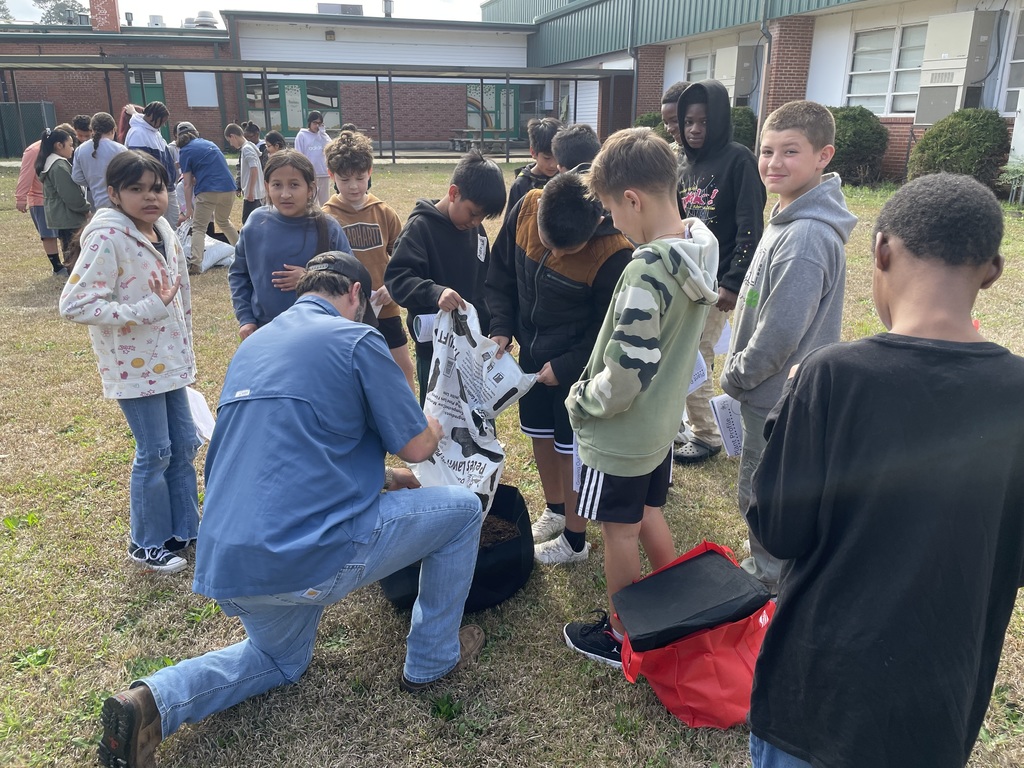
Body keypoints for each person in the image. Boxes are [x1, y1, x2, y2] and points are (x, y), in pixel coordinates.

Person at [97, 251, 486, 768]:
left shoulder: (253, 345)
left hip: (228, 566)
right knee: (461, 511)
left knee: (279, 660)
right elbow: (417, 445)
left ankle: (152, 702)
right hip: (309, 557)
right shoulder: (357, 339)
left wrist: (387, 480)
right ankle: (433, 660)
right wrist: (436, 418)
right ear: (354, 293)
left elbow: (295, 450)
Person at [746, 172, 1024, 768]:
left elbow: (778, 531)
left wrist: (789, 420)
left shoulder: (832, 376)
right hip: (937, 708)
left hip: (814, 697)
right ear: (993, 270)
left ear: (881, 251)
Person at [562, 127, 719, 667]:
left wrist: (583, 399)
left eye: (612, 211)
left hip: (623, 434)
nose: (613, 223)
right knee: (648, 510)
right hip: (660, 428)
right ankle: (672, 604)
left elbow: (627, 372)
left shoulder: (645, 270)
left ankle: (622, 633)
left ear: (632, 199)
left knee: (618, 533)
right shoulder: (701, 246)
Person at [720, 100, 856, 592]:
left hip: (774, 395)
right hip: (769, 392)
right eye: (767, 151)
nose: (773, 163)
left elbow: (779, 335)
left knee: (764, 493)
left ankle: (768, 583)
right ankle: (770, 568)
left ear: (824, 156)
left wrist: (736, 375)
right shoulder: (786, 217)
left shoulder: (804, 237)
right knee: (767, 488)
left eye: (790, 152)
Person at [487, 126, 632, 566]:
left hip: (573, 368)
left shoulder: (615, 253)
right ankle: (554, 511)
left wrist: (567, 365)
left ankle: (575, 537)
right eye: (544, 243)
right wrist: (501, 326)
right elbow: (500, 274)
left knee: (572, 449)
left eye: (562, 249)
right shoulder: (527, 205)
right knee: (540, 436)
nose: (549, 250)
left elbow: (608, 330)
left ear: (593, 228)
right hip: (530, 358)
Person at [59, 150, 199, 574]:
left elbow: (180, 298)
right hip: (134, 369)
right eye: (135, 189)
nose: (149, 197)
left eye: (156, 188)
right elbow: (74, 303)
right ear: (115, 195)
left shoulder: (165, 232)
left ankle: (185, 529)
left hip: (171, 361)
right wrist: (144, 309)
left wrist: (185, 348)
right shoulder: (107, 238)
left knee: (185, 446)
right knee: (155, 451)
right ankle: (146, 542)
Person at [673, 80, 766, 465]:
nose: (695, 129)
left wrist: (731, 282)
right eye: (689, 121)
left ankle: (708, 434)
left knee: (696, 353)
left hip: (716, 282)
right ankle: (689, 421)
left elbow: (750, 226)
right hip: (686, 276)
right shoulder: (681, 163)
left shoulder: (738, 160)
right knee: (683, 352)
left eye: (705, 121)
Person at [384, 151, 506, 404]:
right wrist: (435, 292)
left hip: (471, 348)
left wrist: (494, 329)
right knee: (438, 416)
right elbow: (397, 278)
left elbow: (486, 286)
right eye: (473, 213)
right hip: (435, 348)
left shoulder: (477, 232)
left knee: (476, 411)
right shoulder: (420, 228)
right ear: (453, 193)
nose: (476, 222)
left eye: (482, 217)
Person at [323, 129, 416, 390]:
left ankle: (411, 423)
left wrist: (393, 288)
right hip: (345, 312)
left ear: (370, 172)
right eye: (345, 179)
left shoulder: (383, 212)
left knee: (403, 367)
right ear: (331, 176)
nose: (353, 185)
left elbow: (403, 258)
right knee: (352, 374)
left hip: (385, 306)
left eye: (360, 178)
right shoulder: (326, 217)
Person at [230, 150, 350, 340]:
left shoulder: (328, 228)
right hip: (265, 331)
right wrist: (246, 319)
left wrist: (310, 279)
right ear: (267, 186)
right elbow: (239, 275)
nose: (285, 194)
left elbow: (350, 279)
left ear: (310, 188)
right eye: (277, 185)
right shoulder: (255, 223)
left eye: (294, 185)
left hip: (318, 331)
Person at [175, 121, 239, 274]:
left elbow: (187, 183)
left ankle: (196, 264)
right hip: (229, 188)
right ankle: (244, 254)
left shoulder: (185, 151)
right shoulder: (209, 143)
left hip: (208, 190)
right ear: (195, 133)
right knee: (223, 221)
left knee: (198, 228)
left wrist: (188, 209)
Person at [35, 127, 90, 262]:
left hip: (63, 217)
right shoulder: (59, 166)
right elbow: (70, 196)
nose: (72, 149)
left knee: (70, 251)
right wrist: (86, 208)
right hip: (69, 217)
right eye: (70, 145)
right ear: (59, 145)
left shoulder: (53, 163)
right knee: (75, 254)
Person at [16, 135, 64, 276]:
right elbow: (26, 174)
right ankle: (57, 266)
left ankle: (68, 262)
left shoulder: (61, 148)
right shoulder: (33, 151)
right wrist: (20, 198)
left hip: (59, 197)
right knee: (48, 234)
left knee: (63, 232)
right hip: (40, 198)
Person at [124, 102, 178, 226]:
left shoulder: (155, 132)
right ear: (152, 116)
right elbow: (139, 165)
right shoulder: (138, 133)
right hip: (155, 190)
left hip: (167, 187)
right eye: (162, 121)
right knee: (159, 225)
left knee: (173, 225)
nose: (163, 125)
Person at [504, 116, 561, 218]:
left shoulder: (565, 179)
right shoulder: (521, 185)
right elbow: (510, 224)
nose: (553, 164)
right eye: (547, 158)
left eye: (557, 157)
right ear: (533, 152)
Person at [72, 111, 128, 212]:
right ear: (113, 130)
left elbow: (77, 178)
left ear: (92, 130)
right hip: (119, 202)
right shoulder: (120, 149)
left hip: (96, 202)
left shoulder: (81, 150)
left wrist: (92, 181)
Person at [224, 122, 266, 224]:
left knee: (247, 223)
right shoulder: (249, 147)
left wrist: (250, 191)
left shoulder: (247, 149)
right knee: (256, 222)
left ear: (233, 136)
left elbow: (254, 169)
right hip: (256, 193)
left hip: (253, 194)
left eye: (229, 141)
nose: (231, 144)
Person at [293, 110, 331, 206]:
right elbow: (298, 154)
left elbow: (331, 147)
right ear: (310, 123)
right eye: (315, 123)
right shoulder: (302, 135)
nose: (317, 126)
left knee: (325, 201)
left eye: (319, 123)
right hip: (310, 174)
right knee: (311, 201)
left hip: (323, 173)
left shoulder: (323, 135)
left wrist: (323, 134)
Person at [659, 81, 688, 150]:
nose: (669, 129)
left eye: (675, 121)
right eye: (666, 123)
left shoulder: (714, 156)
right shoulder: (668, 153)